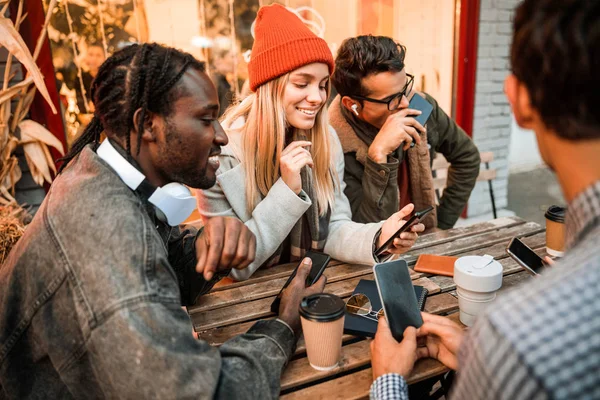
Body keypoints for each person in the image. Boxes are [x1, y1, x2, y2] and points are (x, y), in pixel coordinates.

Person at [0, 43, 325, 399]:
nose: (221, 135)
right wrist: (283, 326)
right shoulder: (107, 237)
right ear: (147, 125)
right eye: (205, 119)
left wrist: (204, 248)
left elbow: (155, 269)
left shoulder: (100, 173)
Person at [369, 0, 600, 398]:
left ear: (518, 99)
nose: (404, 105)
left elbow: (466, 156)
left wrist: (387, 383)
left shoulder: (516, 341)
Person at [196, 4, 424, 281]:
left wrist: (379, 236)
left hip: (311, 285)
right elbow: (234, 266)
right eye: (302, 83)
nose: (317, 97)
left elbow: (335, 229)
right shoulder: (220, 158)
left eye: (322, 84)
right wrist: (287, 191)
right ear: (270, 86)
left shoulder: (325, 139)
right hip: (242, 303)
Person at [330, 36, 480, 230]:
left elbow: (467, 157)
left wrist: (441, 224)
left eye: (405, 88)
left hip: (422, 236)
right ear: (353, 105)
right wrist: (378, 157)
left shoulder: (420, 106)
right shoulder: (333, 143)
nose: (405, 104)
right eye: (391, 99)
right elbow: (361, 231)